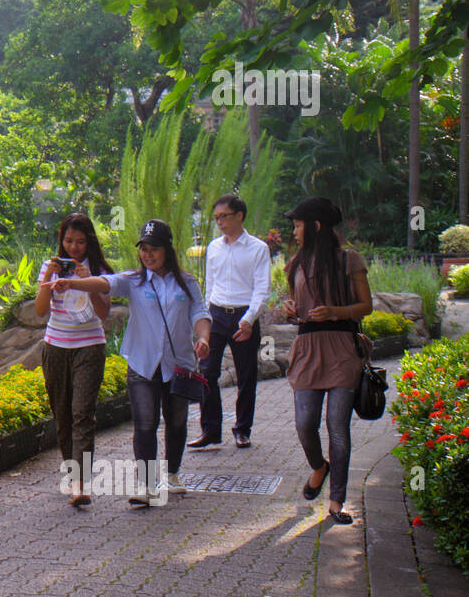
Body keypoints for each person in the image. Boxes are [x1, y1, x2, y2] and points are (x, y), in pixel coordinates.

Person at [52, 219, 211, 507]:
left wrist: (203, 338)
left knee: (175, 421)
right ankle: (147, 485)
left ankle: (172, 474)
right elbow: (104, 283)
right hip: (142, 363)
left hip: (178, 364)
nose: (148, 255)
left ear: (167, 250)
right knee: (145, 423)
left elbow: (199, 313)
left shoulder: (187, 283)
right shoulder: (134, 281)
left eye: (154, 249)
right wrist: (71, 281)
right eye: (144, 249)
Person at [283, 197, 372, 525]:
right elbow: (294, 304)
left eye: (297, 225)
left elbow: (366, 306)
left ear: (315, 226)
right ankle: (319, 467)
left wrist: (336, 311)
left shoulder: (349, 259)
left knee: (338, 427)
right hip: (307, 350)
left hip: (342, 351)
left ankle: (336, 502)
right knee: (304, 424)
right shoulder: (295, 264)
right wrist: (290, 310)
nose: (293, 231)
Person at [32, 213, 113, 507]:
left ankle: (81, 483)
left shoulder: (99, 270)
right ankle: (71, 472)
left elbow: (104, 313)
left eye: (80, 242)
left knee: (82, 413)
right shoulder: (50, 268)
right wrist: (47, 280)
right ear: (61, 240)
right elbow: (41, 311)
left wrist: (84, 282)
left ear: (89, 240)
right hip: (55, 348)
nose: (74, 247)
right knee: (62, 414)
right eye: (68, 241)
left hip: (89, 348)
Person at [190, 194, 271, 450]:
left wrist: (249, 319)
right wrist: (204, 315)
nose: (220, 222)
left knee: (246, 375)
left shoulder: (258, 248)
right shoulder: (214, 247)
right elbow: (210, 285)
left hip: (244, 315)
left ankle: (242, 430)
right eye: (216, 218)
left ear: (239, 216)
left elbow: (262, 289)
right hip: (216, 315)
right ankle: (211, 430)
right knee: (207, 372)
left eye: (224, 216)